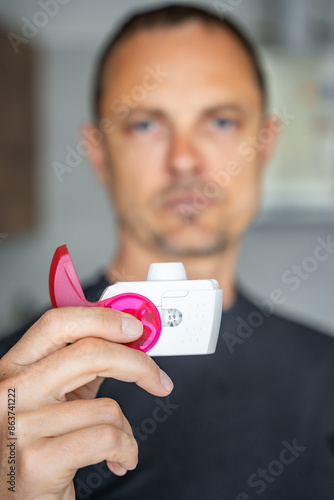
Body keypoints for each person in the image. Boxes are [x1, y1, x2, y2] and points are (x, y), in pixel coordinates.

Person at [1, 3, 334, 499]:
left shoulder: (325, 374)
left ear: (263, 147)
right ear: (98, 154)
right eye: (144, 124)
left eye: (220, 122)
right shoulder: (9, 394)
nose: (183, 159)